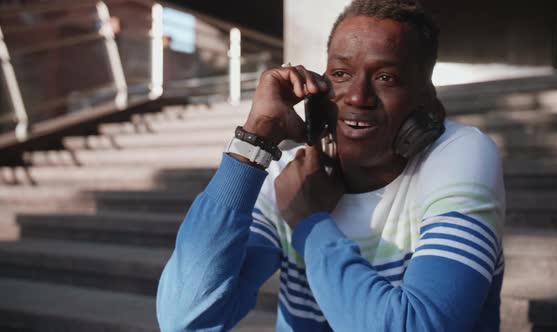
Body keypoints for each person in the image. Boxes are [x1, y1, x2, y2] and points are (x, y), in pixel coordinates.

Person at [156, 0, 505, 331]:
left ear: (427, 97)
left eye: (386, 77)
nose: (357, 97)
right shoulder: (290, 176)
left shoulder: (459, 154)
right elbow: (186, 318)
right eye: (340, 73)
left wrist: (310, 222)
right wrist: (253, 141)